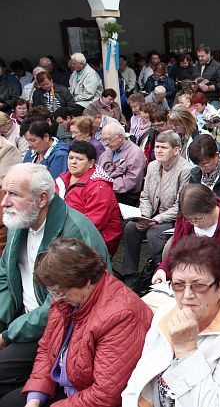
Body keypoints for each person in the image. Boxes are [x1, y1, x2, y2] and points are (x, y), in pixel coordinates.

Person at [123, 235, 220, 407]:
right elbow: (138, 380)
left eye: (198, 285)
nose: (186, 296)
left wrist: (187, 351)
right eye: (178, 284)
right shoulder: (167, 312)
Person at [0, 163, 110, 398]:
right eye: (4, 192)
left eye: (14, 194)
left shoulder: (73, 234)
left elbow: (60, 304)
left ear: (42, 199)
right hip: (23, 317)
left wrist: (8, 334)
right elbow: (4, 274)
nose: (4, 202)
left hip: (59, 328)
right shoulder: (19, 220)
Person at [0, 238, 151, 407]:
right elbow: (47, 348)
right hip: (71, 384)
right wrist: (35, 396)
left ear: (86, 282)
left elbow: (105, 396)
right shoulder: (68, 298)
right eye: (54, 292)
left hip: (89, 396)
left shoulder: (121, 317)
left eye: (61, 292)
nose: (57, 298)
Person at [151, 184, 220, 299]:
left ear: (212, 208)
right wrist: (163, 270)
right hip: (188, 290)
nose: (194, 223)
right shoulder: (184, 221)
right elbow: (174, 254)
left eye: (198, 219)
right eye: (190, 220)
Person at [122, 131, 192, 283]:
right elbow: (145, 195)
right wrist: (145, 217)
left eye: (163, 147)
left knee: (154, 233)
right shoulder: (153, 165)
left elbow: (181, 205)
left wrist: (157, 220)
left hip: (172, 218)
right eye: (157, 147)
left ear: (175, 150)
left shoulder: (185, 170)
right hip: (151, 215)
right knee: (130, 227)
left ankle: (160, 270)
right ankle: (130, 272)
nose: (158, 150)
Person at [54, 141, 122, 255]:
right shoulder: (62, 180)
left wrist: (61, 237)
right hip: (66, 233)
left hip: (95, 238)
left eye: (79, 159)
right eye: (71, 158)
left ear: (91, 163)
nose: (73, 162)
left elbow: (93, 224)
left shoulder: (99, 186)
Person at [97, 121, 146, 206]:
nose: (106, 143)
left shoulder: (135, 153)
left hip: (126, 197)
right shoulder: (108, 151)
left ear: (120, 137)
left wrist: (104, 185)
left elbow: (130, 182)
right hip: (105, 189)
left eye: (108, 139)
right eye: (104, 140)